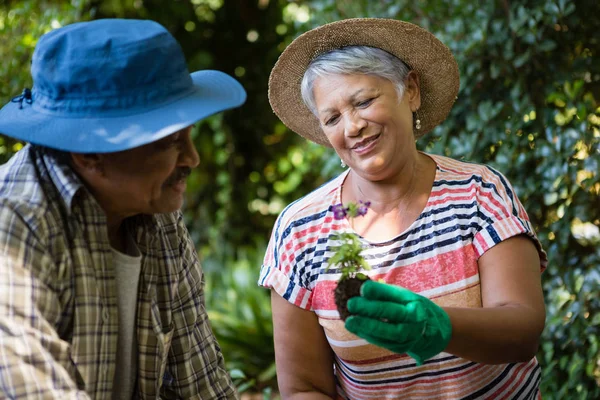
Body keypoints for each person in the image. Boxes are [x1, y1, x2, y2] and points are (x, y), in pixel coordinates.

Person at [259, 18, 547, 399]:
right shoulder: (300, 231)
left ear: (410, 90)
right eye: (332, 118)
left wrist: (438, 325)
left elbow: (522, 331)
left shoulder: (479, 192)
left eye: (363, 101)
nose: (352, 126)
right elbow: (303, 388)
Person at [0, 19, 246, 399]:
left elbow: (202, 384)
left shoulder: (157, 213)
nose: (193, 158)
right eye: (170, 142)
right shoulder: (16, 227)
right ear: (89, 154)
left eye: (188, 136)